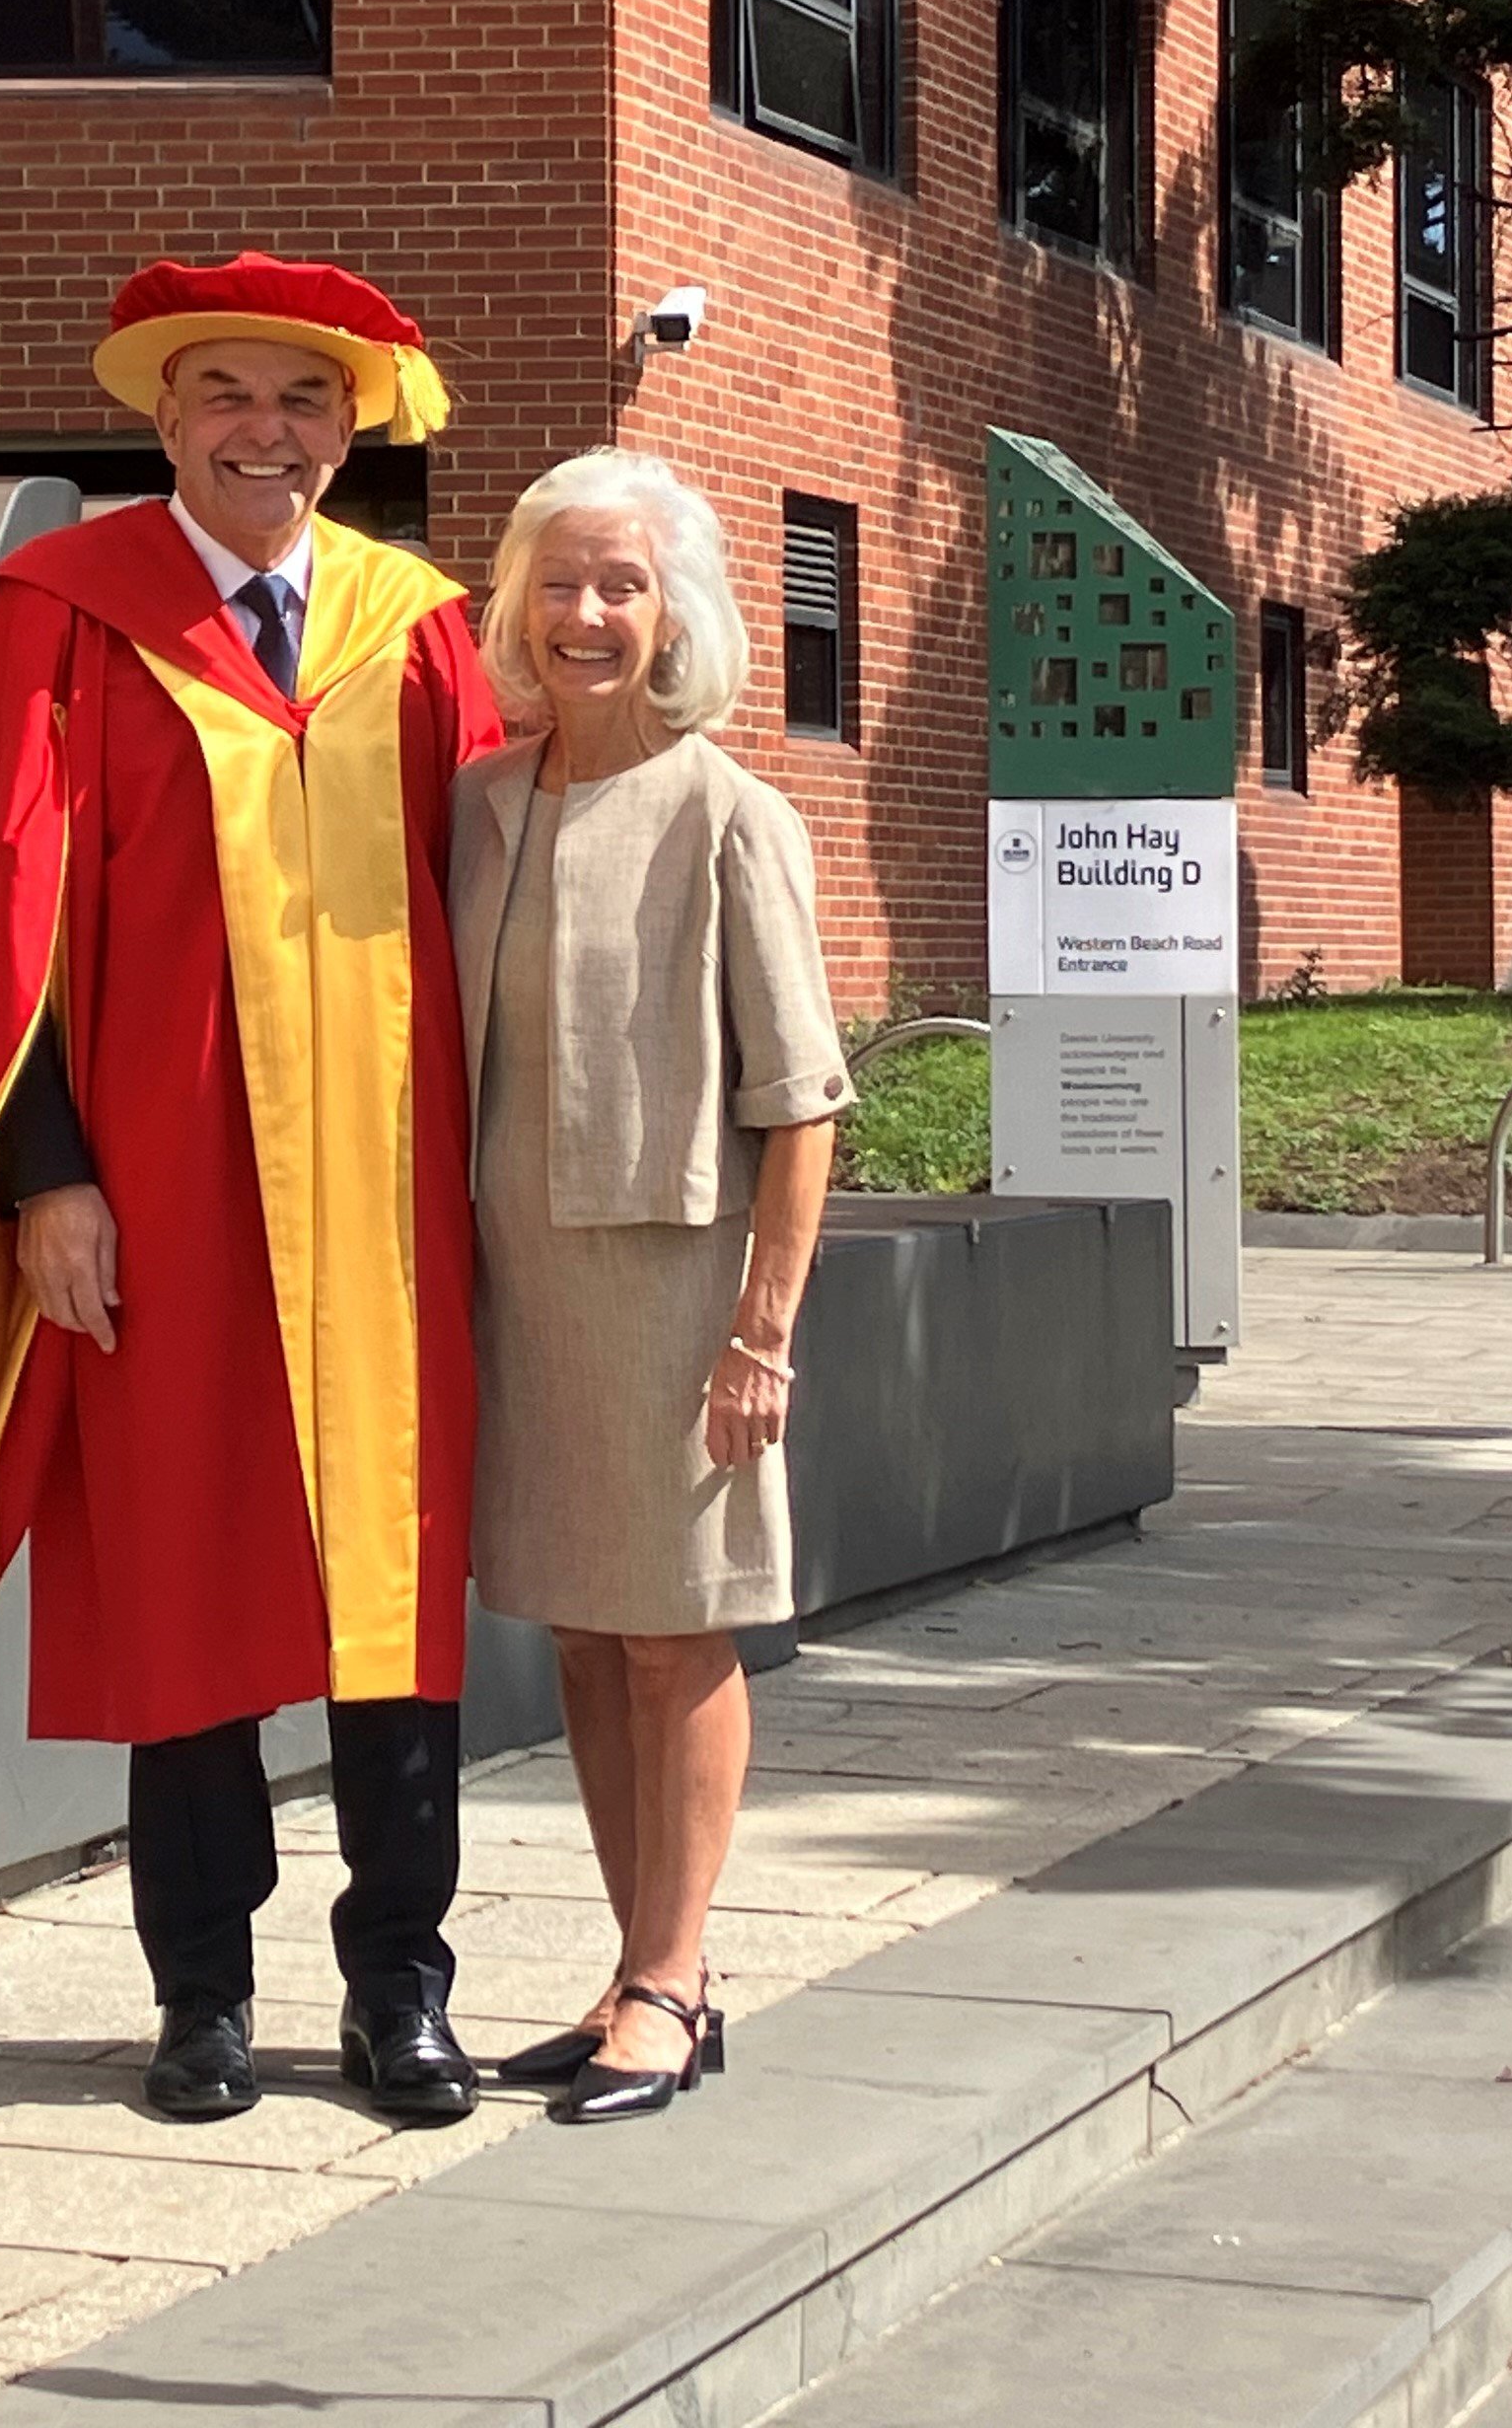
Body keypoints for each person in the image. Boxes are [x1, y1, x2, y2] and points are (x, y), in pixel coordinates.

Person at [0, 252, 503, 2126]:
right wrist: (45, 1175)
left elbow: (500, 907)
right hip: (160, 1195)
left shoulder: (420, 625)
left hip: (395, 1209)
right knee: (181, 1583)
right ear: (164, 420)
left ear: (351, 428)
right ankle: (202, 1996)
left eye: (305, 399)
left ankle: (401, 1986)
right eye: (228, 394)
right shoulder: (66, 610)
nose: (267, 429)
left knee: (393, 1600)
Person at [450, 450, 847, 2125]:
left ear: (674, 611)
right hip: (519, 1282)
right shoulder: (478, 805)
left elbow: (803, 1101)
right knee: (585, 1629)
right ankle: (632, 1965)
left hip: (678, 1286)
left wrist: (765, 1333)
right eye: (560, 581)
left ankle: (677, 1979)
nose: (588, 613)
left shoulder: (730, 814)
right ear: (517, 606)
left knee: (675, 1630)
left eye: (621, 584)